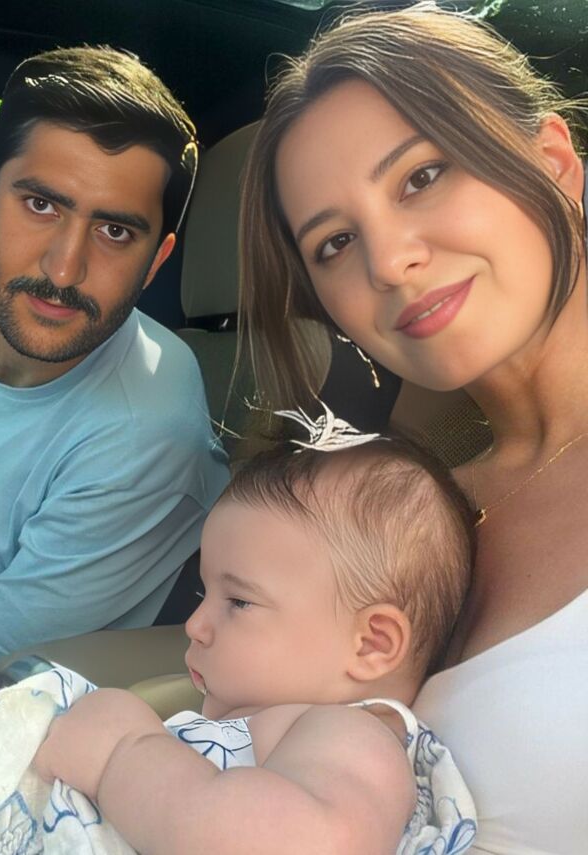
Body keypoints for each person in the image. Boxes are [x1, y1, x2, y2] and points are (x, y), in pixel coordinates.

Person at [236, 3, 588, 852]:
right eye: (334, 242)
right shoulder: (402, 520)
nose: (389, 262)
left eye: (422, 176)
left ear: (553, 162)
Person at [23, 429, 475, 854]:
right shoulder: (284, 723)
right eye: (203, 594)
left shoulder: (358, 739)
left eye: (239, 602)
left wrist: (120, 756)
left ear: (371, 645)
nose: (195, 625)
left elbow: (297, 844)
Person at [0, 46, 229, 703]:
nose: (64, 268)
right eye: (40, 204)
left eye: (115, 232)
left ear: (156, 261)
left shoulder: (147, 424)